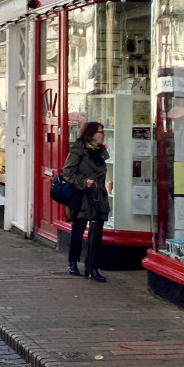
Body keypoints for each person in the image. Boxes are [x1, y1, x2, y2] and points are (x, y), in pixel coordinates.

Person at [62, 121, 111, 282]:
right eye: (99, 132)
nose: (102, 135)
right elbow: (67, 172)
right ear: (90, 134)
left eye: (103, 132)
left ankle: (92, 267)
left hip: (98, 196)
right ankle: (73, 262)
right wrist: (84, 182)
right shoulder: (79, 149)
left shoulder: (101, 152)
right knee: (79, 229)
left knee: (96, 233)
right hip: (82, 195)